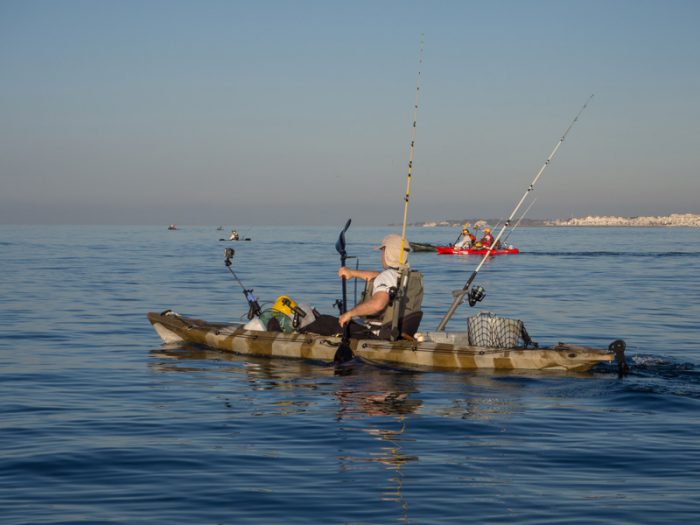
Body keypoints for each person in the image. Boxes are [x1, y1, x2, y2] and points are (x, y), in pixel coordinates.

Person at [300, 234, 422, 339]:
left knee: (324, 321)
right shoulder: (409, 277)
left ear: (389, 253)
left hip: (375, 334)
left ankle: (294, 337)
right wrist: (352, 273)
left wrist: (350, 314)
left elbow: (378, 304)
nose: (382, 255)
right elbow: (379, 276)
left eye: (383, 251)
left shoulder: (387, 276)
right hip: (397, 331)